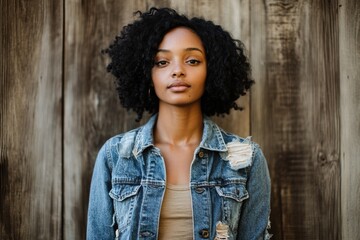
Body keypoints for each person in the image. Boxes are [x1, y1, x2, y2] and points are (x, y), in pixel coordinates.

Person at [87, 7, 271, 240]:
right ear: (147, 73)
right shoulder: (115, 156)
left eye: (192, 60)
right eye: (162, 62)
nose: (177, 71)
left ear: (212, 71)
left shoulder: (247, 160)